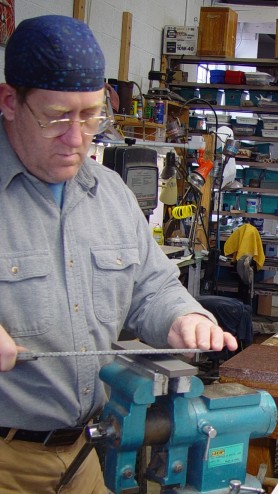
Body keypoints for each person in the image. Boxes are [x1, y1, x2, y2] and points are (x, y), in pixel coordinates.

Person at [0, 14, 238, 494]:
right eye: (56, 117)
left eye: (90, 116)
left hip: (87, 453)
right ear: (9, 102)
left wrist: (181, 318)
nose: (76, 138)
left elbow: (151, 287)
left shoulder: (109, 193)